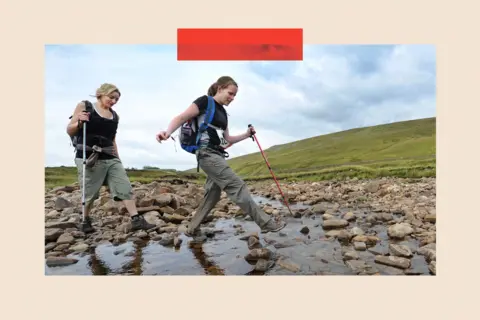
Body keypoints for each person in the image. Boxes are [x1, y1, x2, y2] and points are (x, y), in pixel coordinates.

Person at [155, 76, 286, 238]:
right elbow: (181, 117)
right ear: (219, 88)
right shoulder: (205, 101)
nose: (232, 98)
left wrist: (247, 135)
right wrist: (167, 133)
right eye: (230, 94)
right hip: (206, 154)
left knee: (213, 195)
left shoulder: (223, 113)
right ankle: (266, 223)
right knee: (236, 185)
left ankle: (192, 229)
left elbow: (228, 139)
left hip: (217, 155)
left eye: (234, 96)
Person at [66, 83, 156, 234]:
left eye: (116, 99)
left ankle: (136, 220)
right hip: (89, 156)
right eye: (111, 97)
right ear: (101, 94)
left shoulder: (115, 116)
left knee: (125, 186)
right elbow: (70, 130)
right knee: (90, 192)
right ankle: (86, 219)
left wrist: (118, 158)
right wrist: (79, 122)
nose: (113, 101)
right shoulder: (85, 106)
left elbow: (112, 139)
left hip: (110, 155)